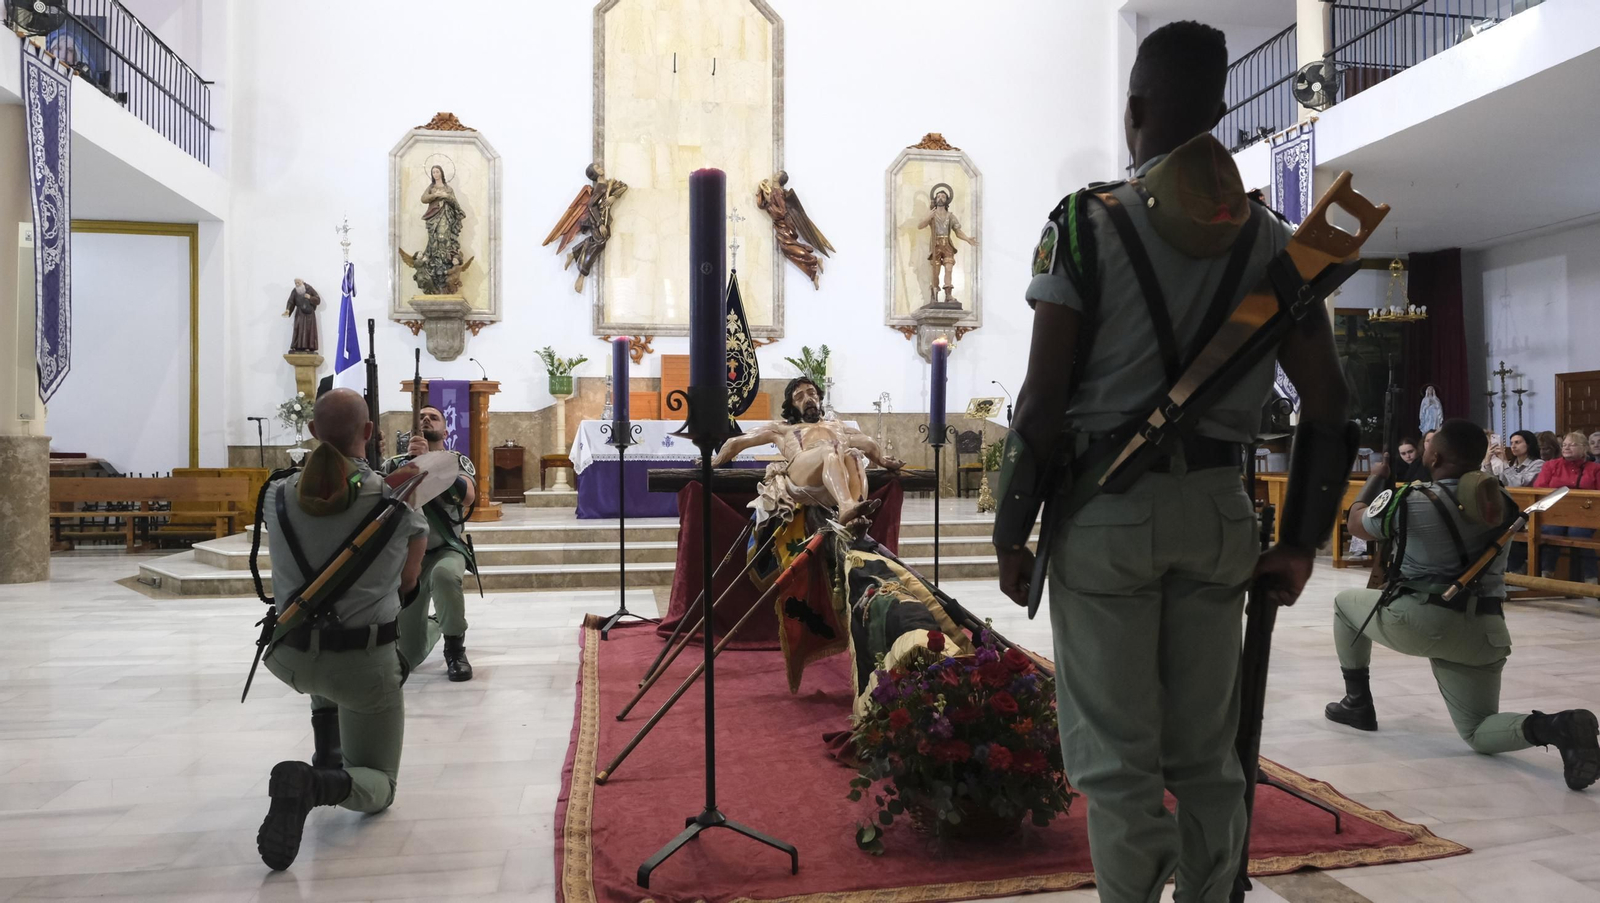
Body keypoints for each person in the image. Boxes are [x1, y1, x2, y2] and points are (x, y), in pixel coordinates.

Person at [992, 21, 1355, 902]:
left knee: (1118, 763)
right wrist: (1303, 542)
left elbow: (1042, 404)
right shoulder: (1279, 243)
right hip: (1220, 514)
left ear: (1135, 111)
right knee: (1207, 755)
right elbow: (1333, 407)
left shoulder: (1084, 224)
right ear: (1221, 112)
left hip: (1107, 519)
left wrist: (1012, 531)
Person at [1326, 420, 1599, 790]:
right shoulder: (1502, 501)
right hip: (1484, 631)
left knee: (1344, 604)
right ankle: (1555, 726)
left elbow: (1356, 524)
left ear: (1435, 455)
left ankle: (1357, 702)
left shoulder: (1414, 499)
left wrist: (1376, 479)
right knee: (1477, 731)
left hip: (1420, 620)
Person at [256, 389, 429, 869]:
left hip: (290, 657)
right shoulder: (396, 502)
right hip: (359, 664)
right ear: (369, 433)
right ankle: (320, 783)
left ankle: (326, 749)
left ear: (311, 432)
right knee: (379, 782)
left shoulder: (275, 495)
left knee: (321, 625)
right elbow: (410, 583)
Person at [711, 377, 903, 524]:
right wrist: (715, 461)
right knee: (829, 447)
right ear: (792, 405)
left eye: (811, 393)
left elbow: (868, 443)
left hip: (835, 473)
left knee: (853, 454)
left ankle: (856, 512)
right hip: (802, 475)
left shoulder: (837, 425)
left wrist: (883, 461)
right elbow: (738, 442)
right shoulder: (783, 428)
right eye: (799, 397)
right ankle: (846, 506)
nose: (808, 399)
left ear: (819, 397)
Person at [382, 405, 479, 680]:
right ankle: (436, 624)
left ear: (445, 431)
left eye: (433, 417)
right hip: (406, 558)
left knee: (445, 576)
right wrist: (410, 466)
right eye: (421, 416)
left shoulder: (456, 460)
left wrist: (430, 464)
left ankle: (455, 649)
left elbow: (468, 496)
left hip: (445, 547)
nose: (426, 419)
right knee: (410, 655)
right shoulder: (393, 463)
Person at [1532, 431, 1600, 583]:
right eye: (1564, 445)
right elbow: (1539, 489)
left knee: (1578, 533)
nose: (1567, 447)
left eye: (1573, 444)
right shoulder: (1551, 466)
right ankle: (1546, 575)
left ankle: (1591, 578)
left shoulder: (1594, 469)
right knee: (1551, 531)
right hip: (1555, 513)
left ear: (1584, 448)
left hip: (1586, 514)